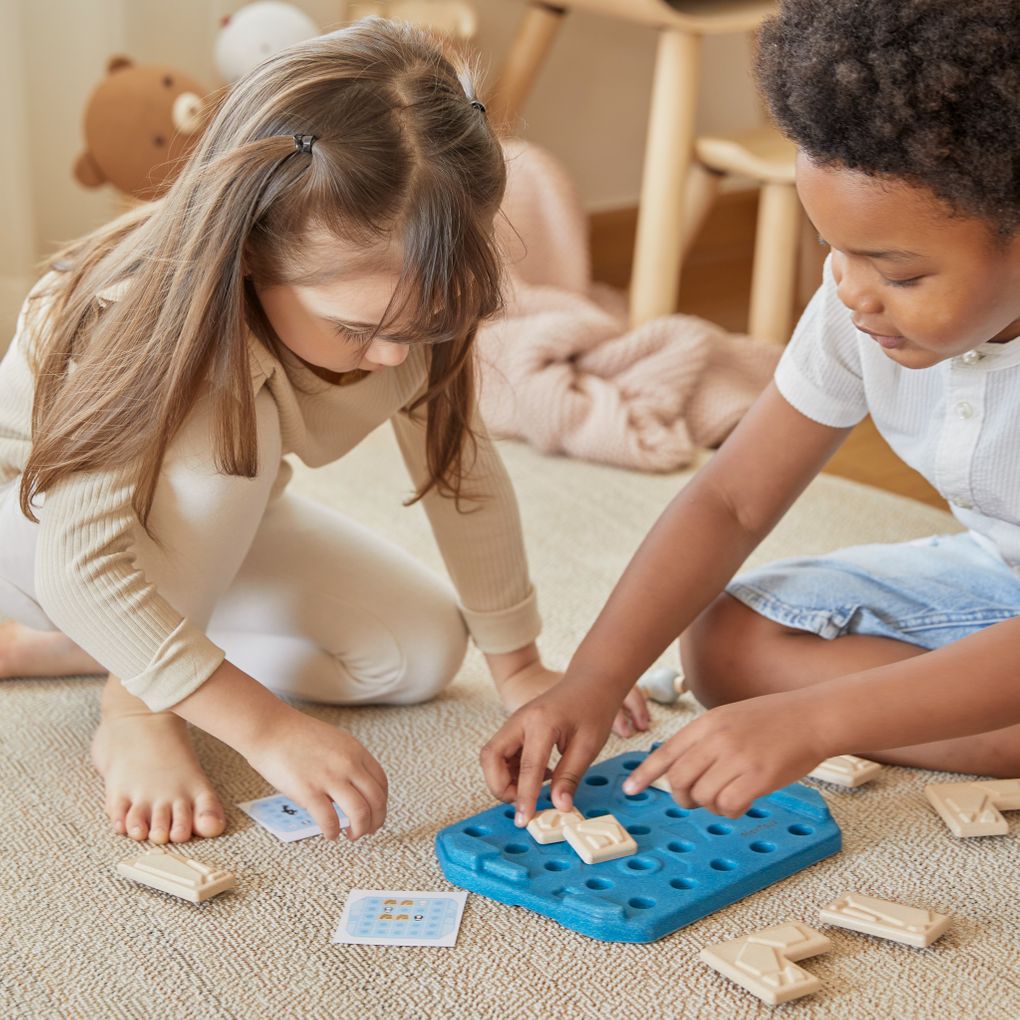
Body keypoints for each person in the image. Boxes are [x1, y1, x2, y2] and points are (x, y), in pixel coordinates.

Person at [0, 19, 652, 846]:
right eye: (356, 329)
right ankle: (135, 702)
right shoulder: (132, 311)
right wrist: (266, 729)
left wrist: (518, 667)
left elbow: (465, 480)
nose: (390, 356)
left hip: (210, 530)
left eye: (422, 324)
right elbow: (76, 562)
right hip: (36, 536)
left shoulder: (412, 295)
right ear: (250, 255)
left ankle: (86, 648)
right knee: (226, 464)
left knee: (413, 653)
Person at [482, 0, 1020, 827]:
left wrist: (819, 720)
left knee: (830, 696)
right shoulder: (855, 305)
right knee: (724, 645)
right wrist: (594, 676)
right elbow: (730, 500)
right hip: (998, 569)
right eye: (832, 248)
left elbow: (812, 714)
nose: (851, 292)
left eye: (900, 273)